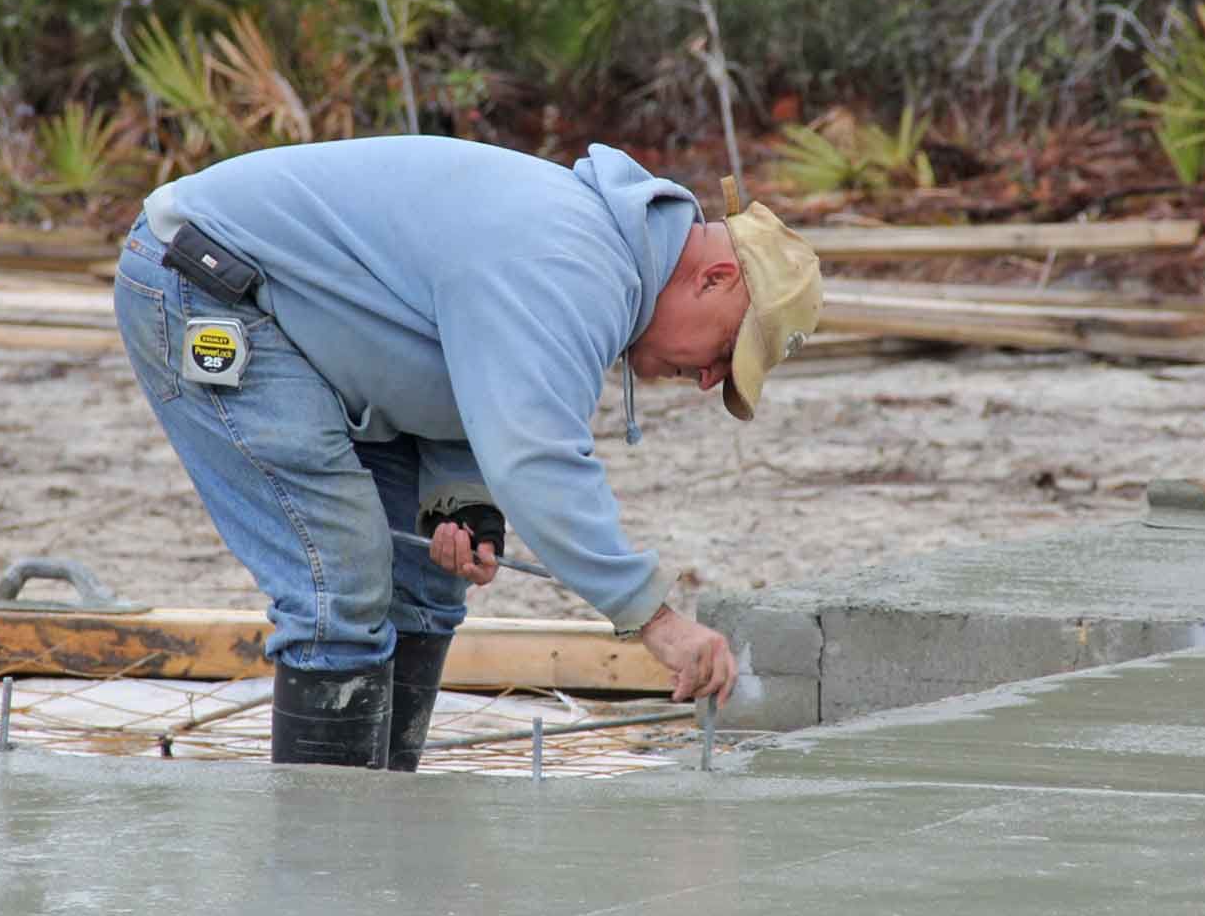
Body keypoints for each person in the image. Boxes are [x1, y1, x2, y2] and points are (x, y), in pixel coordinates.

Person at [112, 136, 822, 771]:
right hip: (209, 285)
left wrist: (465, 503)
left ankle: (384, 837)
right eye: (726, 353)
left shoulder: (592, 264)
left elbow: (456, 374)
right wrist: (654, 620)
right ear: (715, 278)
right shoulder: (572, 262)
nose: (706, 379)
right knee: (342, 582)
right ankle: (325, 869)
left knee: (423, 580)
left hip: (308, 323)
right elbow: (535, 455)